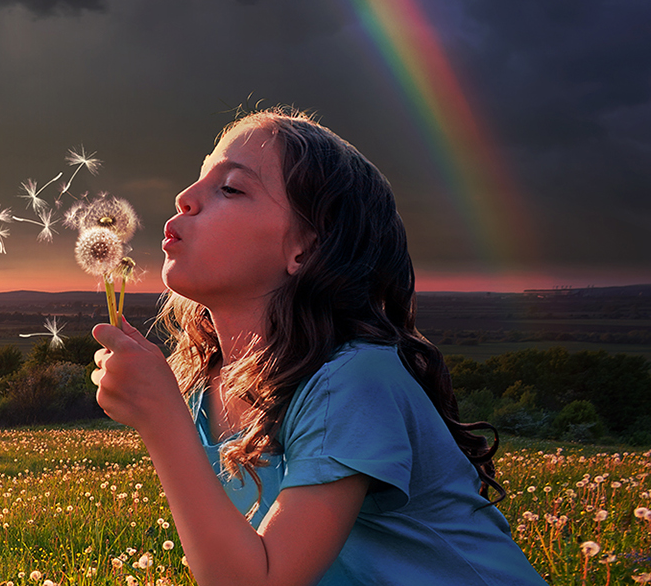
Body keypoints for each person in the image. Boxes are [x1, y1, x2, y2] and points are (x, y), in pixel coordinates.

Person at [88, 108, 545, 586]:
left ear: (305, 249)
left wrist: (163, 421)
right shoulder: (207, 386)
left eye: (231, 188)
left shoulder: (352, 379)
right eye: (199, 178)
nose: (184, 198)